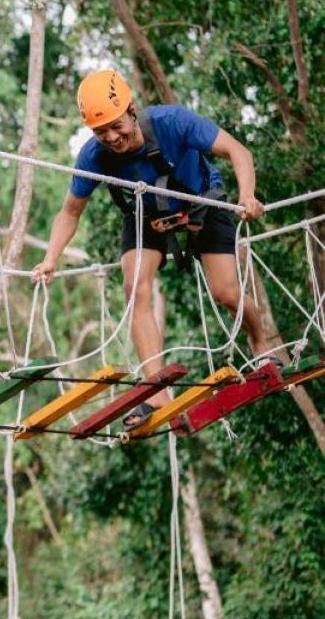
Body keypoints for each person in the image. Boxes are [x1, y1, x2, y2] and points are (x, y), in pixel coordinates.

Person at [32, 68, 281, 430]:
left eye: (116, 126)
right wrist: (50, 258)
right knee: (135, 288)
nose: (111, 137)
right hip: (146, 215)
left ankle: (260, 341)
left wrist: (247, 195)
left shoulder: (172, 122)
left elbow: (237, 151)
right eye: (101, 132)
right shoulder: (93, 156)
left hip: (201, 203)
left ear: (131, 110)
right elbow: (70, 211)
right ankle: (157, 391)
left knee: (227, 292)